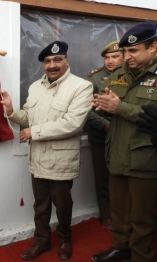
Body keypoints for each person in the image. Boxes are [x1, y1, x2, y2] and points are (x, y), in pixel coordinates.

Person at [1, 41, 93, 260]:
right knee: (40, 205)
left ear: (66, 61)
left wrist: (34, 132)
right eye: (48, 61)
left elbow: (72, 124)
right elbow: (27, 117)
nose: (52, 65)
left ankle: (64, 240)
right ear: (43, 64)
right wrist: (11, 111)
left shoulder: (81, 86)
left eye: (57, 60)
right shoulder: (35, 87)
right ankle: (41, 242)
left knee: (63, 205)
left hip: (61, 160)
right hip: (37, 159)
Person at [91, 21, 157, 262]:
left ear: (153, 47)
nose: (126, 57)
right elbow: (108, 100)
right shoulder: (120, 73)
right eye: (125, 51)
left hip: (145, 155)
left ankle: (141, 256)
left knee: (142, 216)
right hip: (117, 152)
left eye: (133, 51)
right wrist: (103, 107)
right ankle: (120, 248)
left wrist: (120, 108)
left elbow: (152, 114)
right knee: (119, 210)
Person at [85, 41, 124, 229]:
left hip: (125, 135)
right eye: (107, 57)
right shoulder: (94, 78)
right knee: (102, 177)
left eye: (115, 56)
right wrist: (104, 125)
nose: (110, 61)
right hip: (101, 135)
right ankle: (106, 214)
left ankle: (123, 212)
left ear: (124, 57)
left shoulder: (132, 77)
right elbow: (85, 109)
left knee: (122, 176)